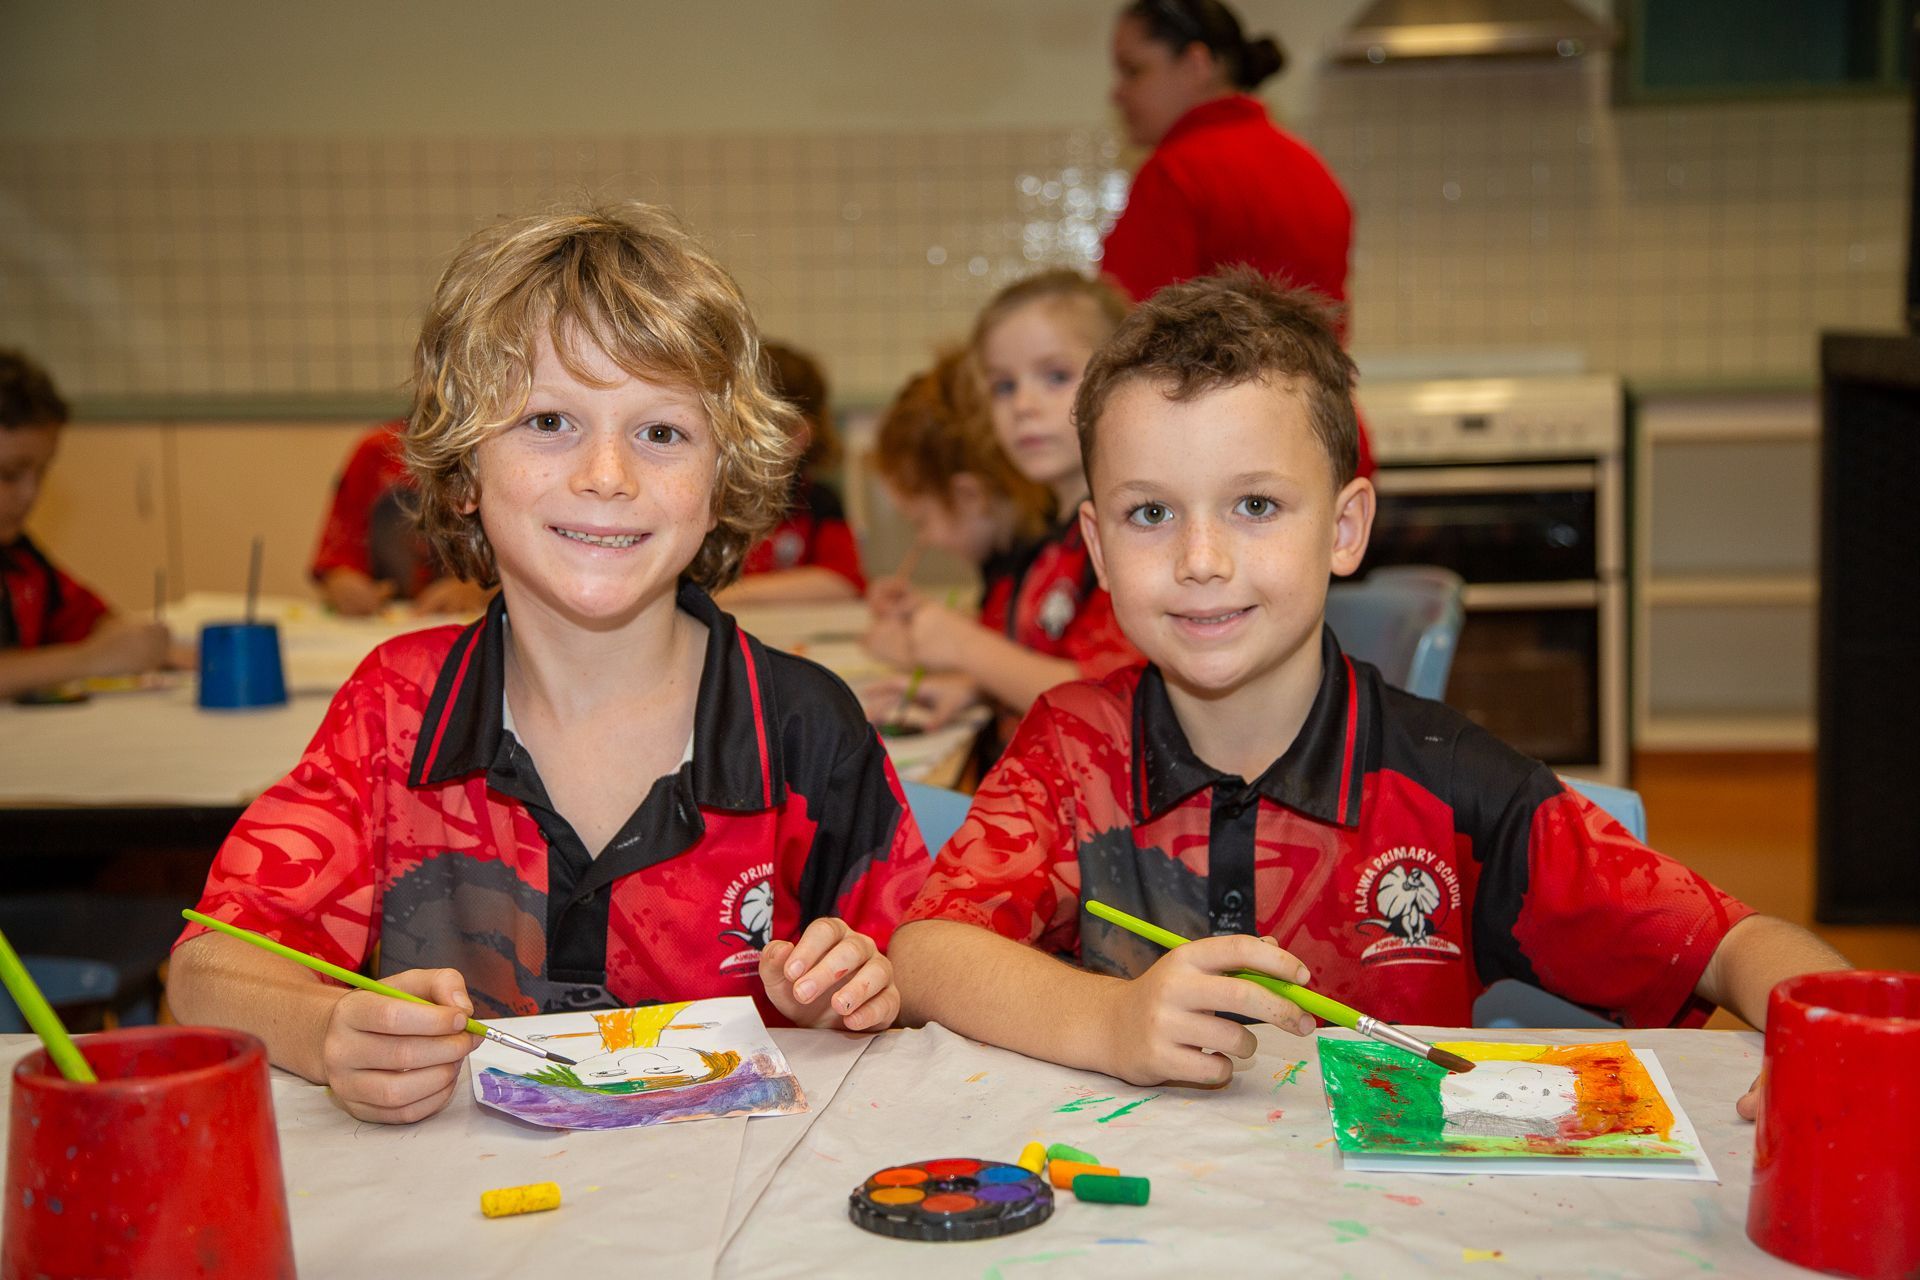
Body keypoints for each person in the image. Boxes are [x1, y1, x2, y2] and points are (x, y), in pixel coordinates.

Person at [889, 271, 1847, 1116]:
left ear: (1346, 530)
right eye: (1151, 514)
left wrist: (1837, 1045)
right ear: (1097, 548)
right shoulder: (1071, 746)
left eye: (1255, 505)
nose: (1201, 560)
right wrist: (1110, 1019)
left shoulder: (1451, 787)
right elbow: (930, 953)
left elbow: (1734, 944)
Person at [169, 204, 931, 1125]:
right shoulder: (396, 711)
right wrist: (329, 1028)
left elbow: (926, 971)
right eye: (548, 421)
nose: (607, 474)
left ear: (722, 480)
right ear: (461, 473)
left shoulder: (802, 725)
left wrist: (856, 989)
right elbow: (207, 970)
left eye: (660, 433)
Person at [1100, 0, 1374, 477]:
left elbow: (1124, 342)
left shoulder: (1175, 175)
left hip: (1222, 460)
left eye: (1133, 71)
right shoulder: (1309, 167)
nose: (1117, 94)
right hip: (1326, 442)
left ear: (1197, 64)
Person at [864, 271, 1142, 726]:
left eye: (1055, 375)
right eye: (1004, 386)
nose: (1023, 405)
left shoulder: (1132, 536)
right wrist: (974, 691)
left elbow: (1115, 705)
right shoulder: (1056, 537)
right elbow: (1043, 668)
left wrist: (965, 648)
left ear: (1123, 379)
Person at [862, 348, 1052, 732]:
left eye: (922, 521)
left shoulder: (1054, 559)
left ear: (970, 496)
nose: (924, 538)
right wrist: (972, 683)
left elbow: (1097, 694)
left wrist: (953, 645)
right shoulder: (1007, 564)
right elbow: (1018, 656)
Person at [0, 350, 173, 699]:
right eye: (9, 474)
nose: (31, 494)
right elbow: (92, 652)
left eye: (42, 472)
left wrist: (131, 642)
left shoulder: (21, 559)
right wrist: (90, 660)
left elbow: (85, 618)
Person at [720, 342, 867, 605]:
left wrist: (731, 595)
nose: (731, 436)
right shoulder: (709, 499)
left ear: (797, 435)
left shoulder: (819, 501)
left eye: (748, 424)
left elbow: (845, 581)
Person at [311, 420, 494, 616]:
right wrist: (343, 583)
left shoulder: (493, 447)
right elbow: (337, 561)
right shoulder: (377, 452)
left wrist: (482, 590)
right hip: (383, 626)